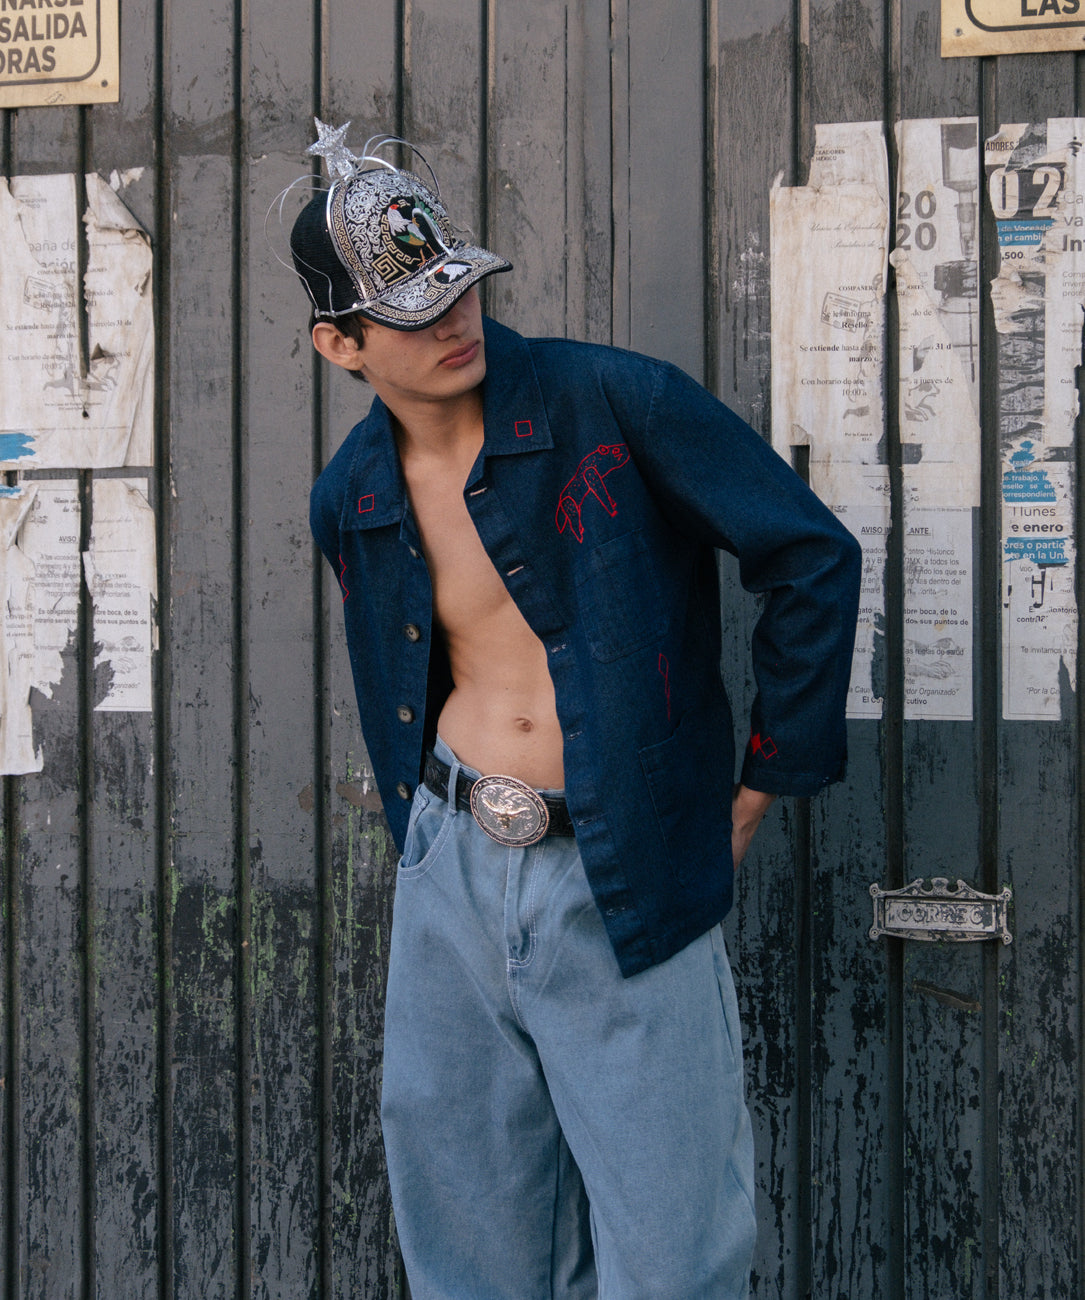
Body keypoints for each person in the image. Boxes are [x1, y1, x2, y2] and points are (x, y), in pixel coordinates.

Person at [289, 125, 861, 1300]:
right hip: (452, 867)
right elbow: (401, 674)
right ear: (339, 343)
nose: (454, 323)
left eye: (459, 288)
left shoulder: (612, 399)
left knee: (673, 1254)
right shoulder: (349, 494)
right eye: (411, 313)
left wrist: (756, 786)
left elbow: (809, 554)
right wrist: (424, 846)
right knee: (471, 1245)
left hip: (622, 868)